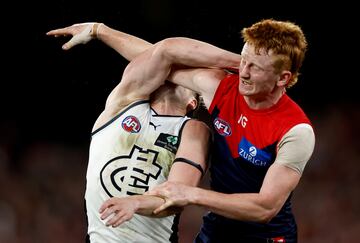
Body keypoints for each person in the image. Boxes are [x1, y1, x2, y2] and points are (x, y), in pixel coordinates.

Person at [48, 18, 315, 243]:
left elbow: (265, 208)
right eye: (244, 61)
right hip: (217, 227)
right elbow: (162, 54)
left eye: (255, 67)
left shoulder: (295, 130)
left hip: (266, 236)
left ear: (283, 78)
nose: (243, 72)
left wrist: (192, 194)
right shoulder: (223, 88)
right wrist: (98, 30)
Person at [47, 25, 212, 243]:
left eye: (183, 78)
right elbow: (163, 54)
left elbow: (177, 197)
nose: (173, 76)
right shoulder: (123, 104)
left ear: (192, 102)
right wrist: (98, 29)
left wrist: (135, 203)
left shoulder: (193, 129)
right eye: (171, 73)